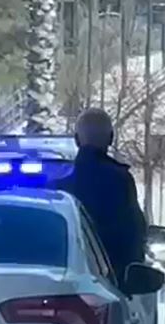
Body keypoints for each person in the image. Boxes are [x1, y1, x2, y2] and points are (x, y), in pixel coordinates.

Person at [55, 107, 147, 283]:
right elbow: (134, 233)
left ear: (76, 140)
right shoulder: (121, 181)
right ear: (111, 138)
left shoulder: (59, 185)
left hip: (65, 278)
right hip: (112, 280)